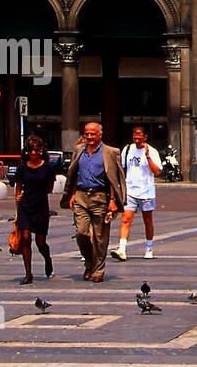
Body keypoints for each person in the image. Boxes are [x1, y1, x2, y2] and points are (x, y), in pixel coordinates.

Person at [59, 121, 127, 283]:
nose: (89, 137)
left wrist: (113, 201)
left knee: (99, 237)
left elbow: (114, 178)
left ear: (100, 135)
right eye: (86, 134)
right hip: (81, 196)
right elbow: (75, 173)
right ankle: (90, 262)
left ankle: (98, 270)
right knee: (81, 233)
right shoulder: (79, 150)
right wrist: (72, 194)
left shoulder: (110, 152)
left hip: (100, 197)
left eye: (92, 134)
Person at [14, 135, 59, 284]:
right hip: (25, 206)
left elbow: (49, 188)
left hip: (40, 206)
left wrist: (38, 194)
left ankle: (47, 259)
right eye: (30, 150)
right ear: (26, 151)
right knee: (25, 239)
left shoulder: (48, 167)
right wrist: (17, 211)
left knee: (41, 243)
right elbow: (18, 190)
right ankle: (28, 273)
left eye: (36, 150)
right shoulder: (22, 168)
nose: (33, 153)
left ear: (41, 150)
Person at [113, 126, 161, 261]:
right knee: (125, 219)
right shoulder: (128, 149)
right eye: (135, 138)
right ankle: (122, 248)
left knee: (147, 221)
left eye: (139, 138)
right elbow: (122, 168)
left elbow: (157, 171)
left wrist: (147, 156)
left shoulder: (152, 151)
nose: (137, 140)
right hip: (130, 191)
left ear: (145, 137)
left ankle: (149, 248)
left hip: (146, 192)